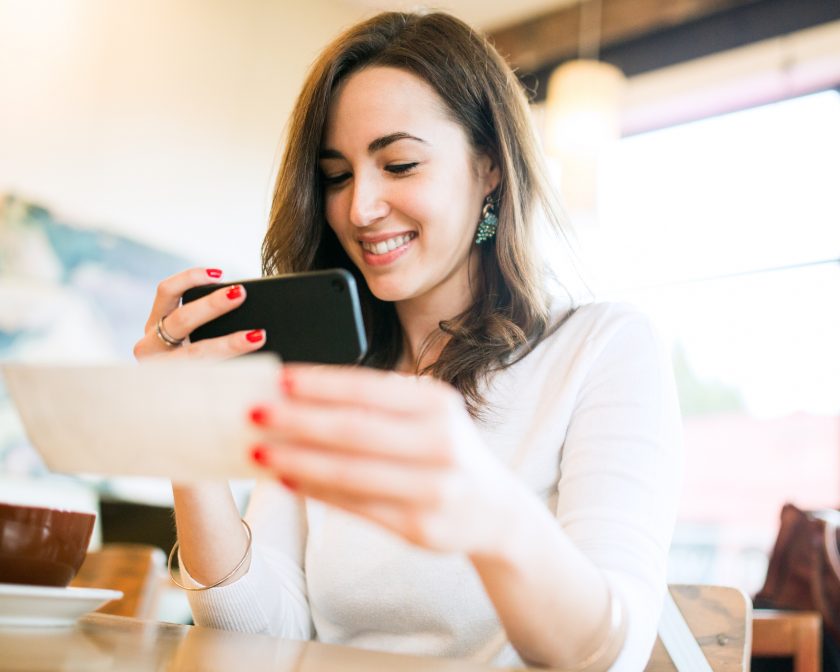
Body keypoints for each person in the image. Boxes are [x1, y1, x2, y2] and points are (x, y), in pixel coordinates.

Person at [133, 11, 683, 671]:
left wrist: (485, 507)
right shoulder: (327, 371)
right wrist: (185, 441)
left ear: (489, 169)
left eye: (399, 163)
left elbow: (607, 655)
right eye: (337, 175)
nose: (359, 208)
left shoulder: (602, 349)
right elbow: (262, 633)